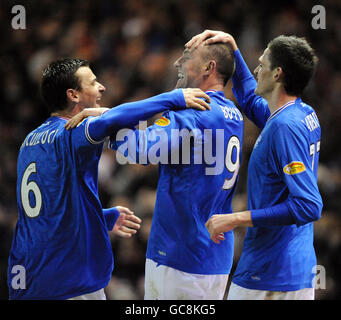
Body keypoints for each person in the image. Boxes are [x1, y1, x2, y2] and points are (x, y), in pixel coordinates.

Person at [7, 58, 210, 300]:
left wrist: (100, 217)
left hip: (26, 279)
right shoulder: (72, 132)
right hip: (69, 282)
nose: (101, 87)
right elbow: (113, 121)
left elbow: (46, 212)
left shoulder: (29, 141)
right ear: (73, 95)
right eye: (93, 83)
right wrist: (174, 98)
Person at [187, 30, 323, 300]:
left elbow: (309, 205)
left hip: (271, 274)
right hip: (291, 267)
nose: (256, 68)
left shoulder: (285, 127)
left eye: (262, 64)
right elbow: (250, 99)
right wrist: (233, 48)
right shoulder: (301, 114)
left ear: (277, 74)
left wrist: (237, 218)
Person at [108, 41, 246, 299]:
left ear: (209, 67)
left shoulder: (193, 111)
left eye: (186, 57)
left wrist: (106, 126)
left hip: (180, 253)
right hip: (216, 256)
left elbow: (141, 150)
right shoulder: (234, 113)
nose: (177, 63)